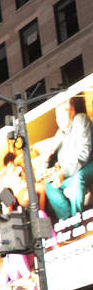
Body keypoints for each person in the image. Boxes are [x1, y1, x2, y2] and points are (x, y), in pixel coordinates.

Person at [43, 94, 93, 222]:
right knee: (49, 186)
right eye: (56, 116)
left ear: (72, 111)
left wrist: (63, 173)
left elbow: (83, 155)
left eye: (61, 115)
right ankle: (67, 221)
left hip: (88, 166)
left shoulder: (81, 120)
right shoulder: (59, 134)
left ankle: (77, 222)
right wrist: (46, 159)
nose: (58, 119)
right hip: (69, 173)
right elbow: (48, 160)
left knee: (78, 179)